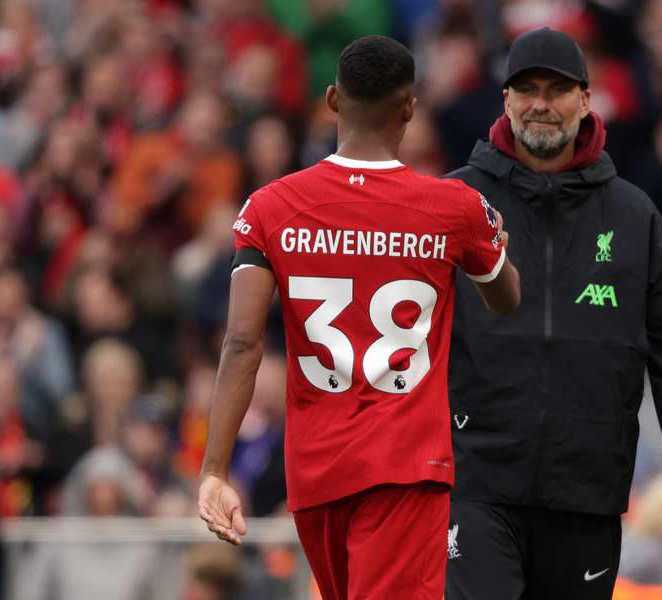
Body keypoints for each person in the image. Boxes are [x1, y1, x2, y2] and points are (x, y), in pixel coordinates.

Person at [197, 35, 521, 600]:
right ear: (410, 108)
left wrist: (214, 471)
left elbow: (242, 344)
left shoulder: (269, 207)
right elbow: (504, 297)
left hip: (315, 469)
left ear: (331, 100)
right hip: (405, 466)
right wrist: (498, 246)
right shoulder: (456, 208)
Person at [443, 27, 662, 600]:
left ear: (586, 102)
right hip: (474, 484)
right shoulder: (455, 205)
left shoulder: (634, 215)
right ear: (506, 101)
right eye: (527, 90)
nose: (541, 104)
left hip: (587, 493)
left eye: (557, 90)